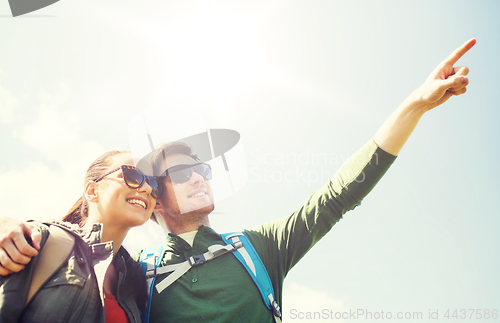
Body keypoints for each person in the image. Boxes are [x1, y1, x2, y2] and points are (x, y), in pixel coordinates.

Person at [0, 39, 476, 322]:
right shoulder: (132, 275)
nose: (201, 178)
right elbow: (79, 250)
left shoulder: (257, 248)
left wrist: (415, 104)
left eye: (204, 169)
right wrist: (10, 227)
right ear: (155, 196)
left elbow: (338, 193)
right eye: (182, 172)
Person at [0, 150, 163, 322]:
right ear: (92, 191)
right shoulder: (38, 239)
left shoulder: (136, 280)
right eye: (132, 175)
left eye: (154, 184)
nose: (147, 188)